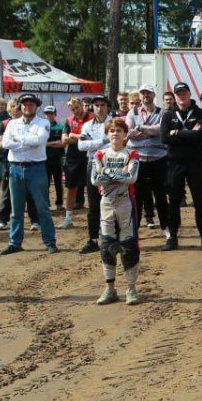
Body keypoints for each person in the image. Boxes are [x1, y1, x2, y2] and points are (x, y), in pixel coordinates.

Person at [0, 94, 59, 256]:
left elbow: (39, 141)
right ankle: (15, 242)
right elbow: (5, 143)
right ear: (20, 106)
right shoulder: (12, 123)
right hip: (15, 168)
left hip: (36, 168)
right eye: (24, 104)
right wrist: (27, 141)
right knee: (16, 209)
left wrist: (17, 141)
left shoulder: (43, 122)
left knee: (42, 207)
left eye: (31, 104)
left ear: (36, 106)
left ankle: (50, 241)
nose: (27, 107)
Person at [90, 118, 142, 306]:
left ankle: (131, 288)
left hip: (125, 203)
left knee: (129, 245)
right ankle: (110, 288)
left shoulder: (132, 153)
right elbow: (95, 180)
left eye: (119, 130)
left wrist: (108, 174)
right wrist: (120, 174)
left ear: (125, 134)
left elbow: (132, 177)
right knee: (107, 246)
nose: (115, 133)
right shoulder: (99, 153)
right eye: (112, 130)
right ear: (107, 134)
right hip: (106, 203)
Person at [160, 81, 202, 251]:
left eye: (184, 92)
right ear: (175, 96)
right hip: (174, 163)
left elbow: (199, 135)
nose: (181, 96)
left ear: (190, 94)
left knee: (199, 201)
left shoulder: (200, 113)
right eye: (178, 93)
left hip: (195, 163)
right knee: (174, 202)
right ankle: (172, 238)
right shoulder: (168, 115)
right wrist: (186, 134)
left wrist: (177, 133)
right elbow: (164, 138)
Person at [126, 84, 169, 237]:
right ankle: (134, 229)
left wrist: (140, 128)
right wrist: (149, 130)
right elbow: (129, 133)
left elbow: (161, 130)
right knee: (137, 196)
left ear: (153, 94)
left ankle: (166, 227)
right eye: (143, 93)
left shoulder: (162, 112)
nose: (146, 95)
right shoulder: (132, 112)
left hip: (158, 159)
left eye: (148, 93)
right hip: (138, 160)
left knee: (160, 195)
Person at [77, 96, 113, 255]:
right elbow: (81, 145)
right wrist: (103, 140)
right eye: (96, 105)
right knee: (93, 204)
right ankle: (93, 240)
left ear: (108, 107)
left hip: (113, 163)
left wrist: (95, 142)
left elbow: (118, 142)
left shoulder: (115, 123)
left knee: (113, 202)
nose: (99, 108)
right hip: (93, 164)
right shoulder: (86, 125)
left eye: (102, 105)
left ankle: (114, 239)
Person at [60, 96, 92, 229]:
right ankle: (68, 218)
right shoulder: (69, 120)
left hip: (88, 156)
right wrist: (79, 137)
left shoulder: (91, 118)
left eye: (77, 108)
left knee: (93, 188)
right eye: (72, 109)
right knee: (71, 188)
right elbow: (64, 140)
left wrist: (73, 135)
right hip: (72, 158)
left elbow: (91, 138)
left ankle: (98, 218)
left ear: (81, 105)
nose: (75, 111)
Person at [43, 105, 66, 209]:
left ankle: (59, 203)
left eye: (51, 114)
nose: (49, 116)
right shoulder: (41, 127)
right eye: (47, 114)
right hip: (44, 158)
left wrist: (47, 144)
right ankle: (46, 203)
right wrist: (54, 142)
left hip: (57, 158)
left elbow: (63, 143)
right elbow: (40, 143)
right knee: (45, 182)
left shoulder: (61, 127)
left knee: (58, 181)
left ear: (55, 115)